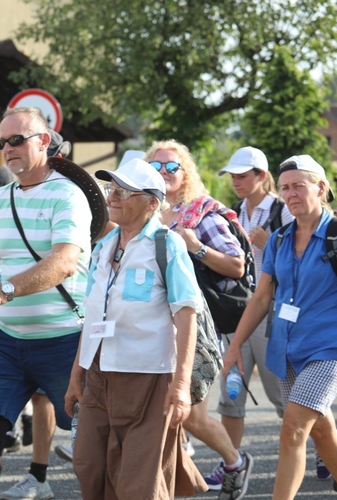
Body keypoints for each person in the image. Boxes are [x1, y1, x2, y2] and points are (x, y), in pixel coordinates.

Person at [0, 107, 90, 500]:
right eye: (1, 142)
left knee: (91, 441)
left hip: (65, 339)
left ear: (44, 141)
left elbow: (65, 262)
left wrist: (6, 291)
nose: (7, 148)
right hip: (6, 340)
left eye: (16, 139)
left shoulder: (68, 195)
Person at [65, 157, 205, 498]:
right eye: (113, 189)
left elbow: (187, 315)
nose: (113, 197)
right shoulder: (103, 247)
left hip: (148, 378)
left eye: (125, 192)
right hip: (99, 374)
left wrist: (182, 386)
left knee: (139, 480)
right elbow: (92, 315)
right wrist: (76, 375)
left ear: (152, 203)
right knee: (89, 465)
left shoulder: (166, 244)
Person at [223, 155, 337, 500]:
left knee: (293, 428)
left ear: (321, 187)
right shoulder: (280, 238)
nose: (291, 193)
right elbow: (260, 298)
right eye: (285, 187)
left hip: (329, 345)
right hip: (285, 345)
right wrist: (235, 347)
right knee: (320, 429)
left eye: (299, 185)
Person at [147, 139, 253, 500]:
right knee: (158, 412)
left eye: (172, 166)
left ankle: (235, 463)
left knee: (190, 416)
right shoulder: (146, 213)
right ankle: (167, 484)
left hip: (197, 326)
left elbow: (237, 266)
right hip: (153, 325)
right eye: (157, 166)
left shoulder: (201, 213)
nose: (164, 172)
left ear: (185, 172)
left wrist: (196, 246)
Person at [217, 147, 292, 441]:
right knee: (230, 395)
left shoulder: (283, 209)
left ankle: (322, 453)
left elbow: (305, 255)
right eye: (233, 176)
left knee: (280, 394)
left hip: (270, 310)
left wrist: (271, 242)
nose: (236, 181)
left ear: (261, 176)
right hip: (236, 310)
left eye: (242, 175)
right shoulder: (233, 211)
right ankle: (230, 466)